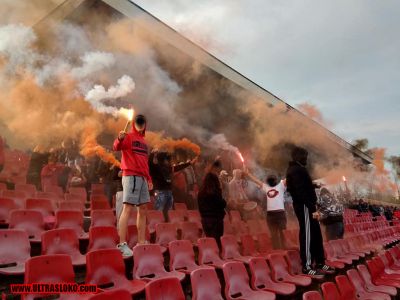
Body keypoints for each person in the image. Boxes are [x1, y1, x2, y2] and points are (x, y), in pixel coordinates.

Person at [286, 146, 335, 278]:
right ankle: (307, 266)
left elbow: (303, 186)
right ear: (298, 157)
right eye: (304, 156)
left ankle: (320, 262)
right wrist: (311, 206)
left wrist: (313, 185)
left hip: (309, 206)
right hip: (304, 207)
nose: (306, 158)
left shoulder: (298, 169)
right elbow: (300, 191)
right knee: (307, 235)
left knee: (316, 234)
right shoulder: (296, 170)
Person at [113, 114, 153, 257]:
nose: (141, 124)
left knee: (143, 209)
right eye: (138, 121)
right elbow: (116, 146)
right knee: (128, 208)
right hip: (131, 175)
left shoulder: (143, 141)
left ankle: (141, 241)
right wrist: (119, 139)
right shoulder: (128, 136)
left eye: (143, 122)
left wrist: (149, 178)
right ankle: (122, 245)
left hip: (142, 177)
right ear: (134, 124)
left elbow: (144, 162)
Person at [149, 150, 197, 219]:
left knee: (169, 212)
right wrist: (152, 154)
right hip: (160, 192)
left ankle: (167, 224)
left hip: (169, 192)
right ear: (163, 159)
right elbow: (151, 163)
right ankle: (158, 226)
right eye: (166, 159)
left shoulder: (168, 168)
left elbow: (178, 167)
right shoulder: (156, 168)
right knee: (159, 211)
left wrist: (189, 163)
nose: (168, 161)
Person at [246, 172, 287, 249]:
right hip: (271, 215)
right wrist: (248, 174)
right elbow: (256, 181)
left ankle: (284, 249)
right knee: (274, 234)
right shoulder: (266, 187)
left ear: (276, 180)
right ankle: (277, 250)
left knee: (282, 233)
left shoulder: (281, 185)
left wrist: (296, 168)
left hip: (280, 214)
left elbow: (288, 177)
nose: (271, 181)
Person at [198, 158, 227, 248]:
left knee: (210, 241)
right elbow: (221, 204)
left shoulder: (201, 192)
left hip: (205, 220)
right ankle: (216, 257)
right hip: (216, 220)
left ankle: (210, 258)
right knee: (217, 243)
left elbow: (200, 206)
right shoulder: (215, 192)